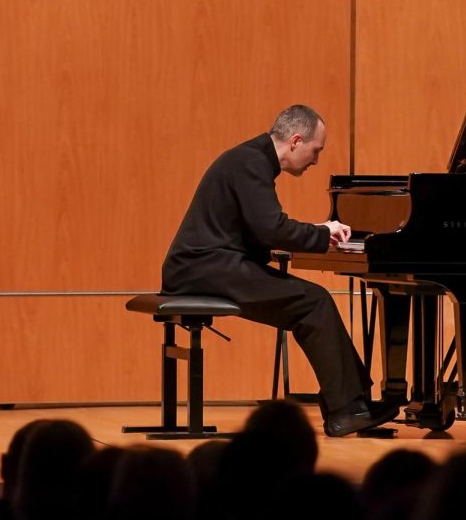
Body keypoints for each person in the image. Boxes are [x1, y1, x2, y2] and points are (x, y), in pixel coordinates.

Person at [161, 104, 398, 437]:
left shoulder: (251, 159)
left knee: (314, 301)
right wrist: (320, 235)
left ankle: (347, 404)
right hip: (203, 268)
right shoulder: (251, 163)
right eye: (316, 151)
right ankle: (346, 409)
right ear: (296, 141)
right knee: (314, 302)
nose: (316, 160)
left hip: (207, 265)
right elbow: (270, 230)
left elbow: (260, 228)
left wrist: (316, 230)